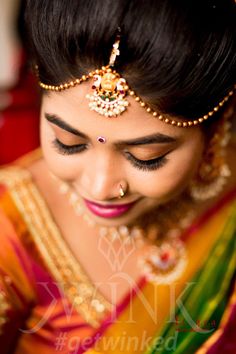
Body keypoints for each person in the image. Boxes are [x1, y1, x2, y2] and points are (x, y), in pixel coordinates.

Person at [0, 0, 235, 353]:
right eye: (68, 143)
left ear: (215, 133)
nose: (100, 187)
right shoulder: (11, 230)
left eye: (146, 158)